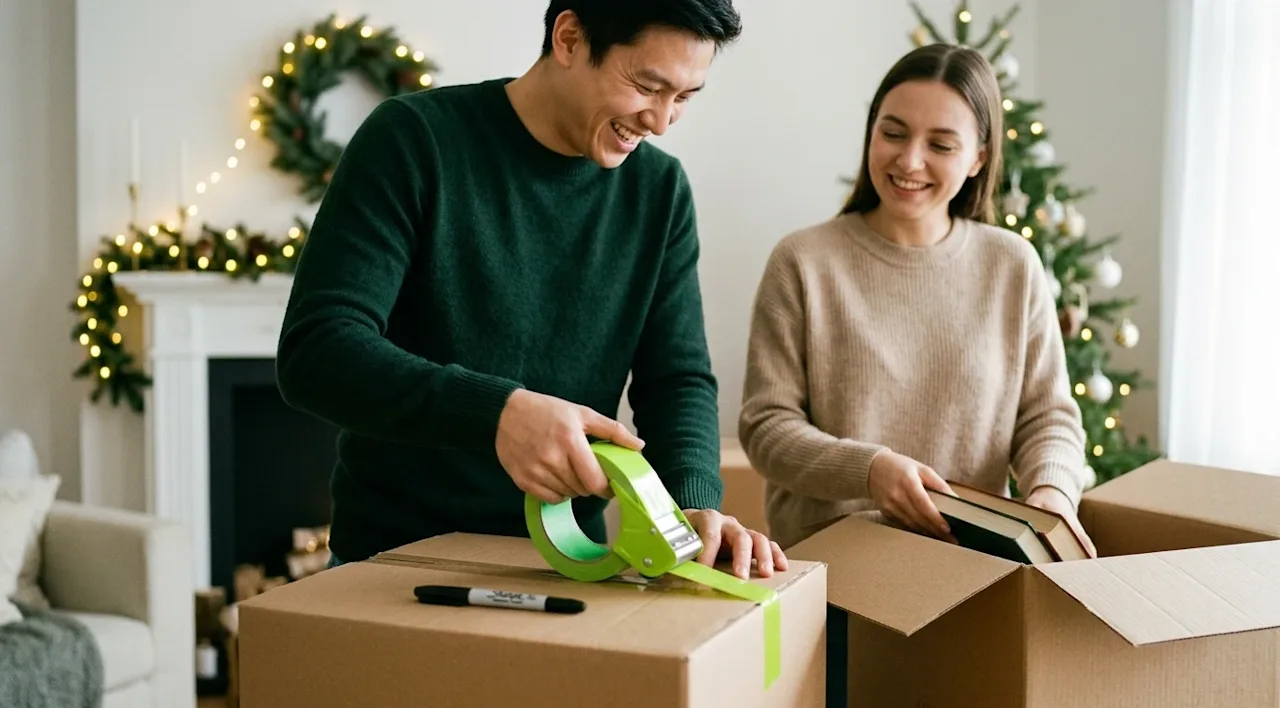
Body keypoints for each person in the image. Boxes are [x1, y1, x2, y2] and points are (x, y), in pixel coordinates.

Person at [276, 0, 787, 581]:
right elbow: (317, 351)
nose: (662, 121)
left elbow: (677, 380)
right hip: (394, 562)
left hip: (573, 568)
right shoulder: (413, 140)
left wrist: (694, 501)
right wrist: (498, 414)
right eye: (648, 85)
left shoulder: (660, 191)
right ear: (569, 37)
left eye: (685, 97)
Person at [737, 43, 1097, 558]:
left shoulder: (1012, 265)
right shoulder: (803, 261)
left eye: (941, 145)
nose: (909, 160)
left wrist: (1052, 496)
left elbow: (1048, 417)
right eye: (893, 133)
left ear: (979, 158)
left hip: (975, 569)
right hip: (833, 571)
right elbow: (766, 427)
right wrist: (870, 470)